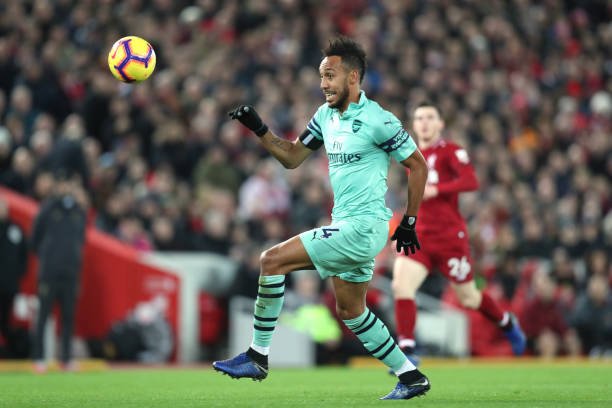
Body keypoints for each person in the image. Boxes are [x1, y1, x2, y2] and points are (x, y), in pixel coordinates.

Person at [213, 37, 431, 400]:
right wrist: (259, 128)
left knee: (271, 260)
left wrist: (409, 222)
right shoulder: (325, 116)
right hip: (347, 225)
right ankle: (411, 376)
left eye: (330, 75)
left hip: (362, 227)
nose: (324, 84)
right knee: (351, 311)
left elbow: (418, 166)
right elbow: (292, 157)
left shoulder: (378, 119)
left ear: (353, 77)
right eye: (321, 76)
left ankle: (257, 356)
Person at [391, 102, 526, 363]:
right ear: (414, 125)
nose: (425, 122)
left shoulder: (452, 151)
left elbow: (471, 181)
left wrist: (437, 189)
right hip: (420, 236)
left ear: (440, 123)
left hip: (449, 238)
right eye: (419, 118)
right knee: (401, 285)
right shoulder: (409, 155)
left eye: (430, 117)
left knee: (469, 297)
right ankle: (407, 350)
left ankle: (507, 323)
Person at [31, 172, 87, 372]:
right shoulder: (48, 208)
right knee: (43, 316)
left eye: (68, 184)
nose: (65, 188)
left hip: (70, 272)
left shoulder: (79, 211)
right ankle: (38, 358)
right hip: (50, 272)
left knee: (68, 317)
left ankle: (66, 359)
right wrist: (48, 258)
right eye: (62, 184)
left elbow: (81, 242)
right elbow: (35, 240)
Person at [0, 196, 28, 354]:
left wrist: (19, 273)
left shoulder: (16, 229)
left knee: (6, 319)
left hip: (9, 285)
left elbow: (24, 254)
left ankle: (6, 351)